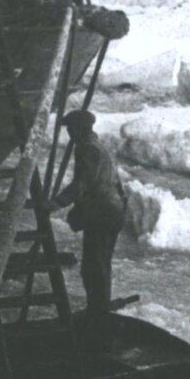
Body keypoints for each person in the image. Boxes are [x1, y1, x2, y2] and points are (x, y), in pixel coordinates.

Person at [52, 110, 127, 347]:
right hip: (111, 211)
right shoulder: (98, 147)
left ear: (80, 128)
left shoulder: (87, 149)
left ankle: (98, 317)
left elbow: (82, 184)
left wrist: (55, 204)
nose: (69, 133)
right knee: (99, 264)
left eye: (71, 128)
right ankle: (99, 313)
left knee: (94, 267)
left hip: (102, 213)